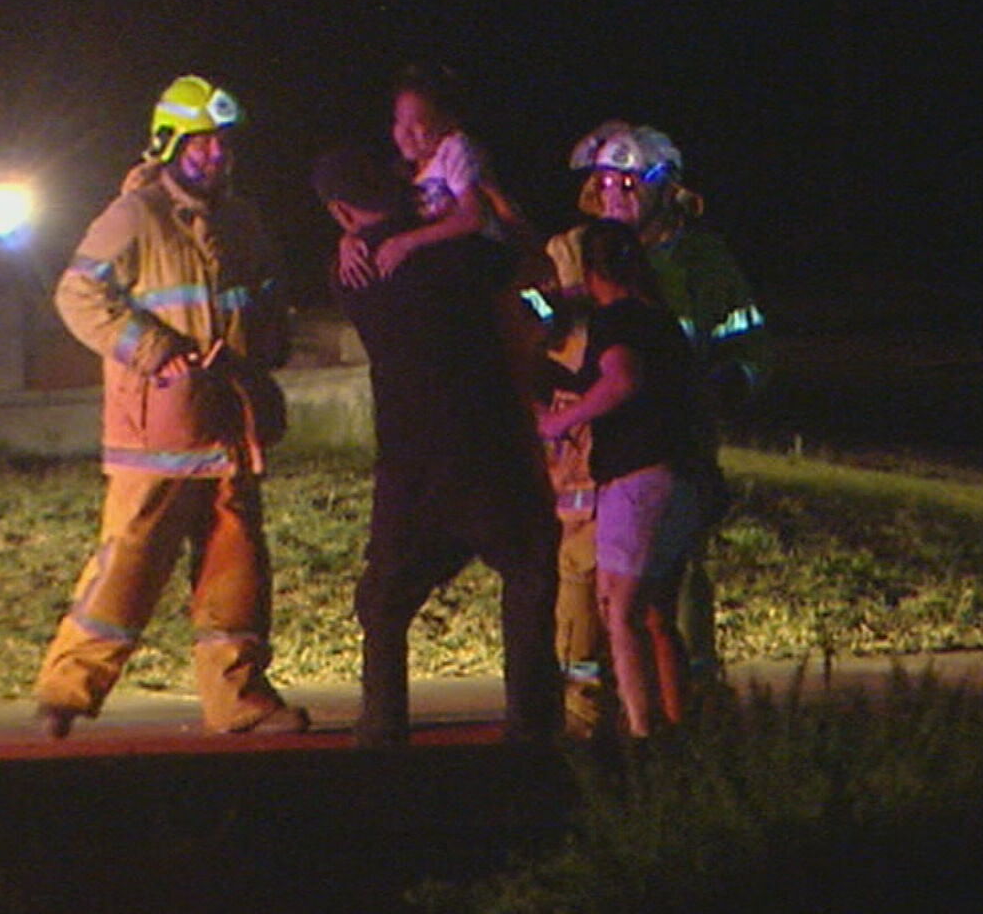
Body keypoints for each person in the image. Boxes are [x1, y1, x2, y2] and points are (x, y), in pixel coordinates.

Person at [33, 74, 307, 738]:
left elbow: (267, 298)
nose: (216, 156)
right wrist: (151, 349)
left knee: (236, 574)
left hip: (227, 433)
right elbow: (76, 297)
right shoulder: (134, 215)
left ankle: (239, 701)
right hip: (155, 433)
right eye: (202, 143)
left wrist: (269, 347)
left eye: (224, 144)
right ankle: (65, 693)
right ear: (171, 144)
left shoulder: (242, 220)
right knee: (128, 566)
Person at [313, 146, 562, 748]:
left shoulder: (354, 273)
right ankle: (532, 725)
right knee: (528, 569)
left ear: (343, 212)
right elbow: (530, 262)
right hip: (489, 444)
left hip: (409, 458)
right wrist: (478, 195)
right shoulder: (461, 252)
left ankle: (382, 725)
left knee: (386, 599)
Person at [536, 121, 774, 713]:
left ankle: (687, 717)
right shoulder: (572, 253)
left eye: (627, 182)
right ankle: (586, 718)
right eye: (604, 182)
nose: (613, 195)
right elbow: (531, 326)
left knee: (672, 588)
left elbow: (748, 348)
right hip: (589, 456)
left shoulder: (702, 262)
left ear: (664, 188)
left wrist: (721, 385)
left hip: (673, 450)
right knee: (583, 584)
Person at [538, 219, 709, 739]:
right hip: (683, 478)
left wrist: (560, 421)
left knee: (620, 610)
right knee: (657, 612)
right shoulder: (663, 322)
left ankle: (642, 733)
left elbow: (622, 379)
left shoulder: (617, 322)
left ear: (591, 272)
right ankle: (682, 723)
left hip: (637, 479)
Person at [337, 64, 538, 289]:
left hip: (478, 254)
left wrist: (407, 242)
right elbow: (378, 219)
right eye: (398, 122)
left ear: (447, 121)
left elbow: (473, 217)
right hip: (443, 257)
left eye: (417, 124)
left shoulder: (455, 148)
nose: (405, 133)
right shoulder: (403, 172)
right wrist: (348, 243)